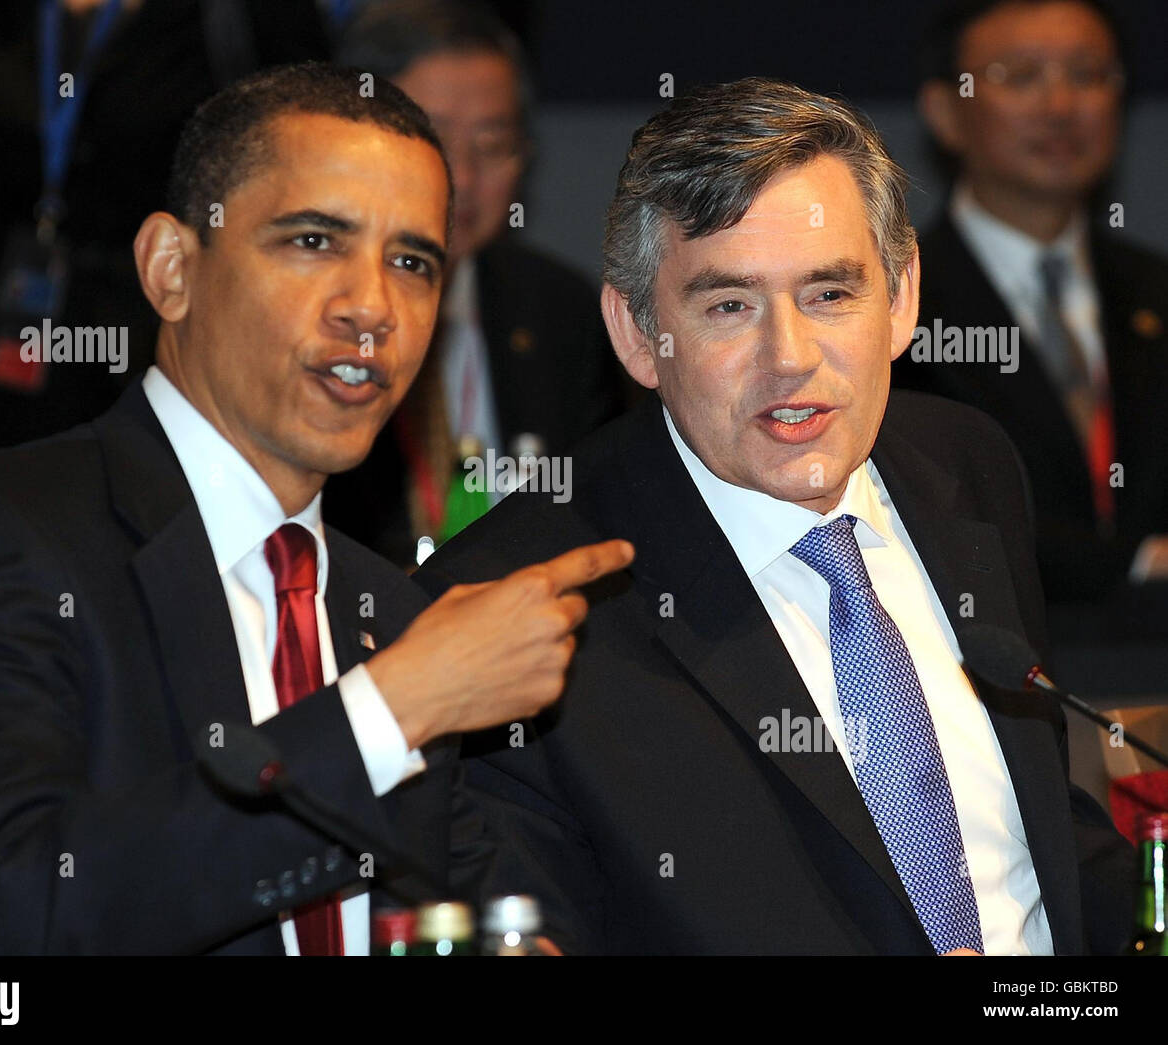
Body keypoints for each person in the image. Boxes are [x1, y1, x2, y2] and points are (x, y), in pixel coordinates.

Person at [0, 62, 631, 955]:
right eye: (314, 241)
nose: (371, 307)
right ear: (171, 269)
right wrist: (391, 707)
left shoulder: (387, 609)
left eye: (413, 261)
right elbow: (19, 909)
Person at [415, 78, 1136, 955]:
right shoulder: (512, 602)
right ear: (639, 333)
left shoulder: (965, 464)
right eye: (729, 306)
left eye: (830, 295)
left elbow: (1032, 840)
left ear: (902, 297)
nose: (788, 357)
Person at [0, 0, 330, 452]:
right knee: (23, 509)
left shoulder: (239, 14)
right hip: (28, 356)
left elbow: (311, 177)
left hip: (184, 364)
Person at [324, 0, 627, 567]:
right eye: (431, 139)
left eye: (492, 146)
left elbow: (599, 509)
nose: (462, 178)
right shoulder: (318, 310)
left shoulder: (558, 307)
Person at [891, 0, 1168, 611]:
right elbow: (928, 511)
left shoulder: (1155, 290)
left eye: (1088, 74)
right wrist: (1140, 563)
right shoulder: (893, 306)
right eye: (1020, 77)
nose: (1061, 106)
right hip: (989, 666)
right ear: (944, 111)